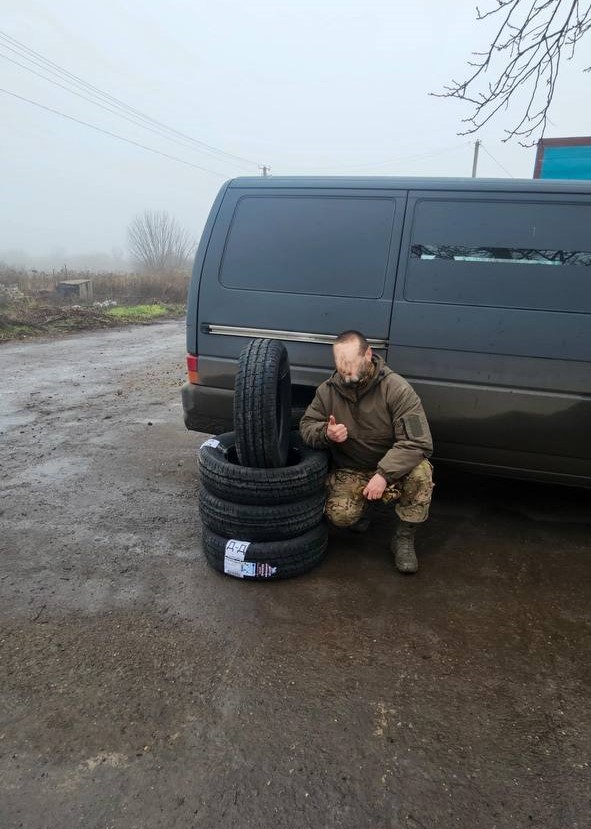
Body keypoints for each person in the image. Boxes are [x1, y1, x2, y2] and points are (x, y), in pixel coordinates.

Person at [299, 330, 433, 574]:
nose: (345, 370)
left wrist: (383, 474)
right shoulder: (328, 391)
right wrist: (326, 433)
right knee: (339, 515)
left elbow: (417, 442)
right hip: (353, 468)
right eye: (340, 363)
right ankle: (364, 510)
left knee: (421, 474)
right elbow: (306, 425)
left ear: (368, 354)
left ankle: (403, 538)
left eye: (350, 362)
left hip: (392, 470)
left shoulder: (397, 389)